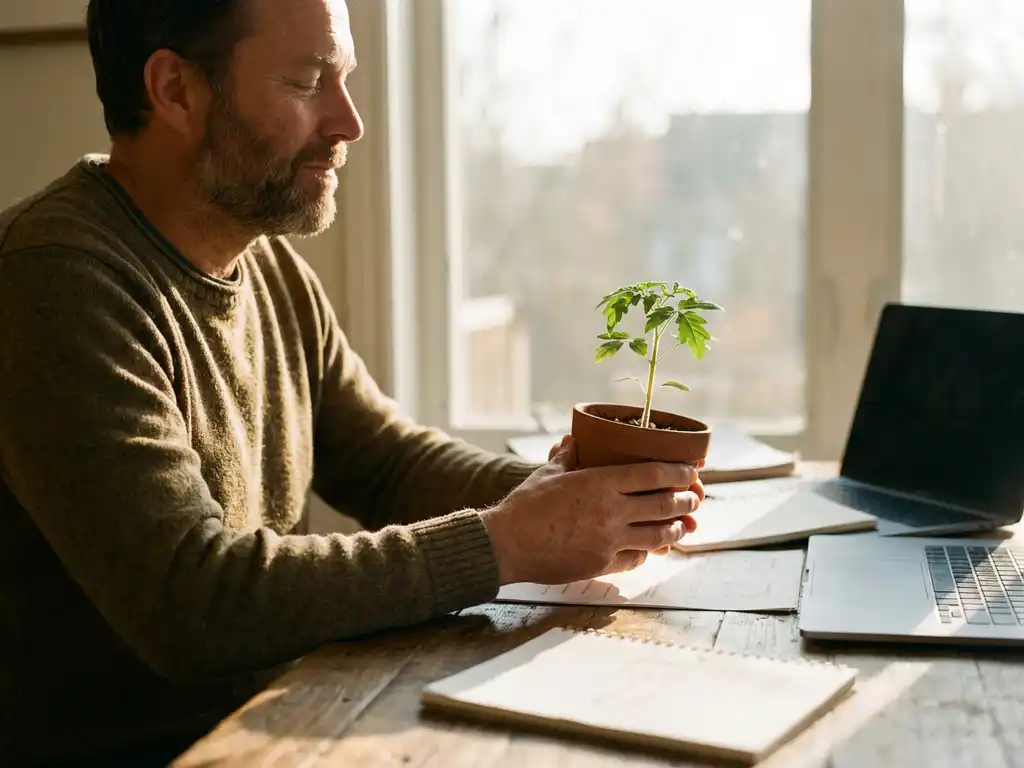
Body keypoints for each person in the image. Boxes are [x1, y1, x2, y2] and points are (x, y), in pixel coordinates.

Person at [0, 0, 705, 764]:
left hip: (285, 717)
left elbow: (387, 461)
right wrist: (507, 540)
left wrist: (576, 499)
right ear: (175, 89)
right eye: (309, 82)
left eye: (346, 79)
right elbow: (191, 601)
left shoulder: (266, 266)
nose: (349, 123)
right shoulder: (53, 280)